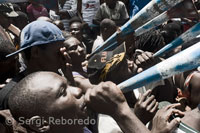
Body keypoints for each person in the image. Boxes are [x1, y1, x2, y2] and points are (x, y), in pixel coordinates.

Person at [7, 71, 180, 133]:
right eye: (62, 92)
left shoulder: (78, 128)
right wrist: (122, 112)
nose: (77, 90)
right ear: (41, 124)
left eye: (69, 85)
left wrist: (137, 121)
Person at [0, 20, 74, 110]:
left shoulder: (60, 79)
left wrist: (69, 80)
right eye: (57, 52)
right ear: (35, 52)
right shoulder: (12, 96)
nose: (63, 57)